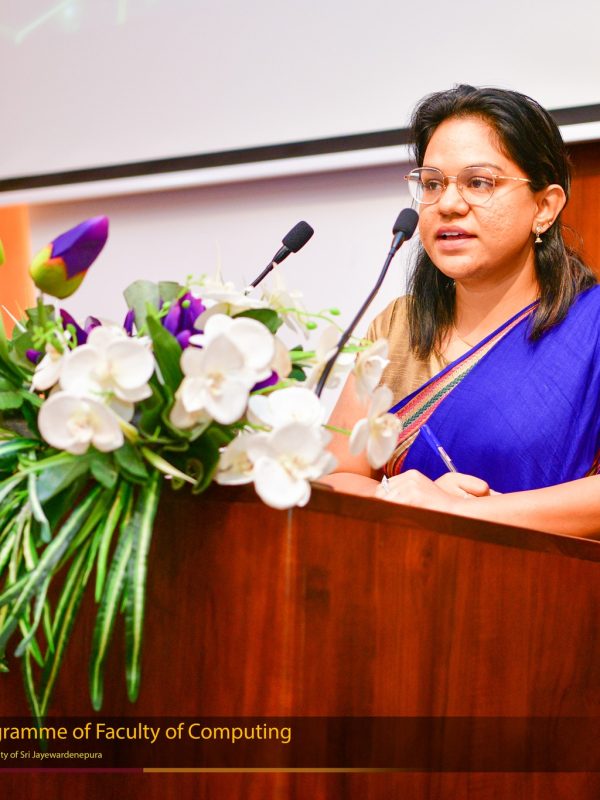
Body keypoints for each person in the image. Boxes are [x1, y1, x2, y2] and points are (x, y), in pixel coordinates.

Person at [324, 84, 600, 538]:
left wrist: (467, 513)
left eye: (479, 182)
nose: (448, 204)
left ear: (544, 207)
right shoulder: (399, 327)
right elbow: (337, 476)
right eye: (432, 184)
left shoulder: (591, 329)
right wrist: (399, 497)